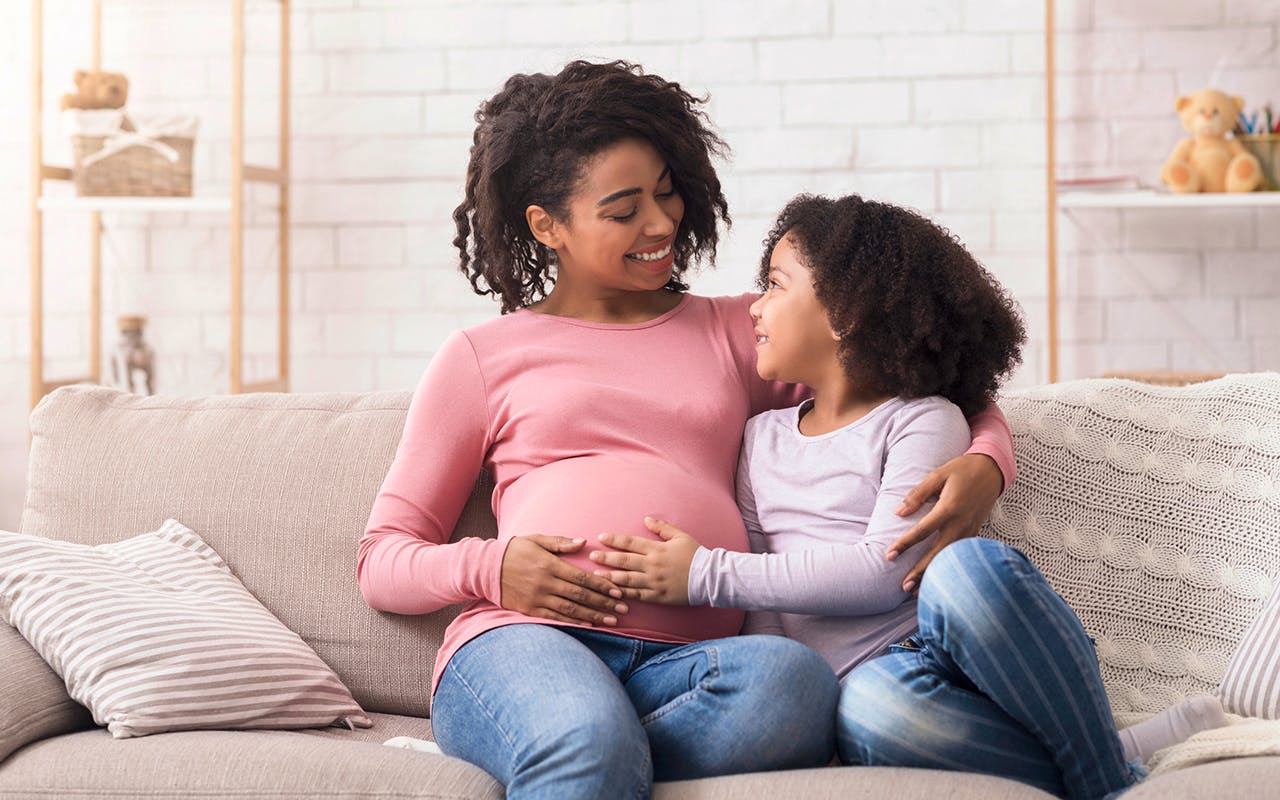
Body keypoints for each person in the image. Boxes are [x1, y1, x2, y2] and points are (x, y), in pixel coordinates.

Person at [357, 61, 1017, 800]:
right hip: (526, 642)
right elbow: (383, 558)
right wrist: (491, 568)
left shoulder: (742, 331)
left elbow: (919, 363)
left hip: (697, 667)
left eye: (667, 190)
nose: (662, 222)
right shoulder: (480, 357)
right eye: (623, 208)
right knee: (585, 739)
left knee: (796, 686)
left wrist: (987, 461)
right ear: (548, 226)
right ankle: (575, 746)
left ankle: (584, 755)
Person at [588, 193, 1154, 800]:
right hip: (870, 696)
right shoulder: (761, 437)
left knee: (966, 570)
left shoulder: (921, 421)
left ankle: (1108, 783)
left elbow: (884, 570)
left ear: (844, 314)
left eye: (776, 286)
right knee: (875, 713)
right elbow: (763, 613)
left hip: (931, 656)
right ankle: (1096, 758)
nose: (756, 307)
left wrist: (705, 573)